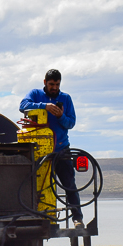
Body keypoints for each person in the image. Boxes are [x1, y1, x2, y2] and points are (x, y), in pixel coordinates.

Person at [19, 69, 82, 228]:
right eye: (52, 84)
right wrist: (44, 106)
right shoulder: (35, 94)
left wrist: (60, 115)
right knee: (32, 184)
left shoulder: (66, 98)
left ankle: (77, 218)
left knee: (69, 184)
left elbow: (71, 123)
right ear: (45, 82)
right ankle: (31, 216)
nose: (54, 87)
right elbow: (23, 105)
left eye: (57, 84)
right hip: (38, 150)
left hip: (61, 149)